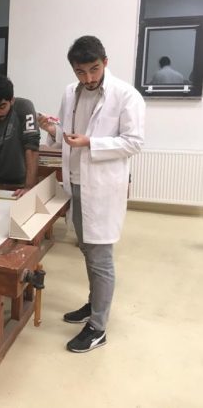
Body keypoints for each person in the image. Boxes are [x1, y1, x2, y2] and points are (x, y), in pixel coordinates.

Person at [38, 35, 144, 353]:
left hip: (102, 188)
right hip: (76, 183)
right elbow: (65, 137)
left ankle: (98, 327)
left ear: (105, 62)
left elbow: (134, 142)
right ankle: (93, 303)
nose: (88, 78)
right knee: (86, 248)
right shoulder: (70, 92)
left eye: (94, 69)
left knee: (100, 257)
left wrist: (91, 143)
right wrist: (52, 129)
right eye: (80, 72)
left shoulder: (126, 96)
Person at [0, 75, 40, 198]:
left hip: (22, 183)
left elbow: (32, 147)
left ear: (12, 100)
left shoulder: (24, 107)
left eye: (2, 106)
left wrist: (29, 186)